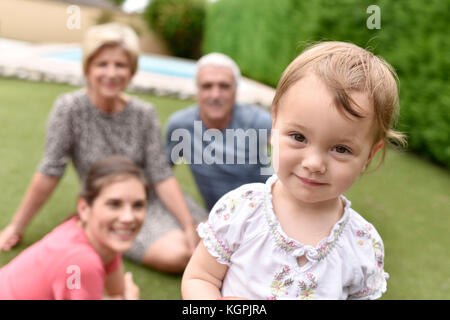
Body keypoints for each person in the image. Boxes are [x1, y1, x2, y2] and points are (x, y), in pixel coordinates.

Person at [181, 41, 407, 299]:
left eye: (341, 149)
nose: (313, 163)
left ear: (369, 155)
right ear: (274, 125)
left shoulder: (362, 244)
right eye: (298, 137)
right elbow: (200, 277)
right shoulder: (241, 209)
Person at [0, 23, 206, 273]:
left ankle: (88, 223)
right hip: (114, 206)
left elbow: (160, 173)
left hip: (149, 198)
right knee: (180, 255)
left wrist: (186, 223)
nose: (111, 73)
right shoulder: (69, 109)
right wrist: (16, 226)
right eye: (102, 64)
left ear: (131, 71)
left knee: (212, 241)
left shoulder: (145, 113)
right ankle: (96, 224)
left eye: (120, 65)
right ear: (88, 68)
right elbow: (50, 170)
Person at [0, 156, 145, 299]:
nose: (128, 217)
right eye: (114, 204)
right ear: (84, 208)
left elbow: (116, 293)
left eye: (138, 205)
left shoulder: (94, 236)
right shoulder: (81, 261)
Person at [165, 53, 272, 211]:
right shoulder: (181, 126)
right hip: (216, 217)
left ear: (235, 90)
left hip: (262, 213)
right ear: (197, 92)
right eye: (207, 86)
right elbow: (161, 175)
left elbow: (292, 149)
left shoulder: (257, 121)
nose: (215, 95)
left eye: (224, 86)